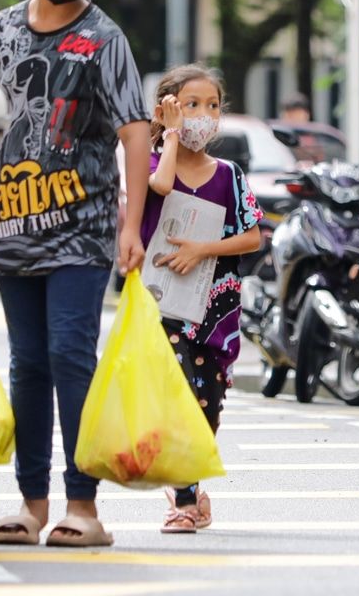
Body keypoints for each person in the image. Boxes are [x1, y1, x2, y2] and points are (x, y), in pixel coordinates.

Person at [0, 0, 150, 548]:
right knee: (27, 364)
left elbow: (135, 131)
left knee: (71, 356)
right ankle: (31, 503)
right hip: (11, 228)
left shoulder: (103, 38)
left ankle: (83, 506)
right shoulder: (0, 30)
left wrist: (131, 225)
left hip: (80, 232)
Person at [141, 64, 262, 534]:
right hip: (164, 305)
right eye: (191, 105)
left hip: (215, 309)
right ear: (166, 110)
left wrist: (202, 249)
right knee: (180, 394)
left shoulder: (229, 175)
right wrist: (170, 136)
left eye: (212, 105)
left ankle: (191, 488)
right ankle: (184, 501)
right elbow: (160, 187)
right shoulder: (152, 165)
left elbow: (251, 236)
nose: (203, 115)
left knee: (207, 404)